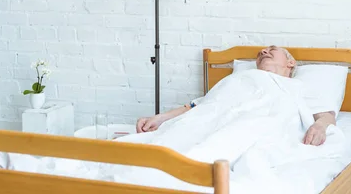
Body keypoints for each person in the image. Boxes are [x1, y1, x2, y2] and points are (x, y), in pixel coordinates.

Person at [135, 46, 336, 146]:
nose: (263, 51)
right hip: (213, 120)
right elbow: (203, 106)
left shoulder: (297, 86)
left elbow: (326, 115)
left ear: (290, 63)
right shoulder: (239, 79)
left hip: (257, 122)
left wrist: (319, 127)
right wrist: (160, 118)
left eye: (271, 50)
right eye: (260, 53)